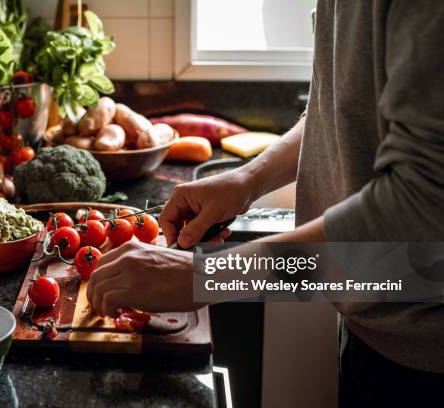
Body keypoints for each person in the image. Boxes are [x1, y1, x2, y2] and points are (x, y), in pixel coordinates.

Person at [87, 1, 444, 406]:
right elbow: (343, 103)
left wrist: (209, 275)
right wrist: (248, 178)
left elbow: (425, 213)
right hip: (377, 319)